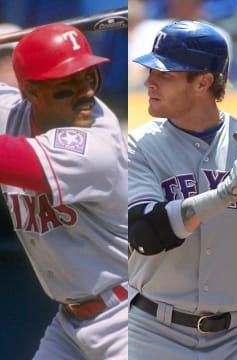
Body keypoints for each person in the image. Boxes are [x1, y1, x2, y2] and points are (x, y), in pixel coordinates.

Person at [127, 20, 237, 359]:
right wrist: (226, 192)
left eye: (165, 75)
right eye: (151, 72)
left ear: (203, 82)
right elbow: (145, 233)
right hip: (155, 333)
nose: (149, 82)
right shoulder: (140, 146)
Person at [0, 24, 128, 359]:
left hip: (130, 315)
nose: (85, 93)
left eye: (89, 78)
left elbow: (12, 161)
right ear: (30, 92)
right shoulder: (13, 112)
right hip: (69, 322)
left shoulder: (94, 141)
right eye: (66, 86)